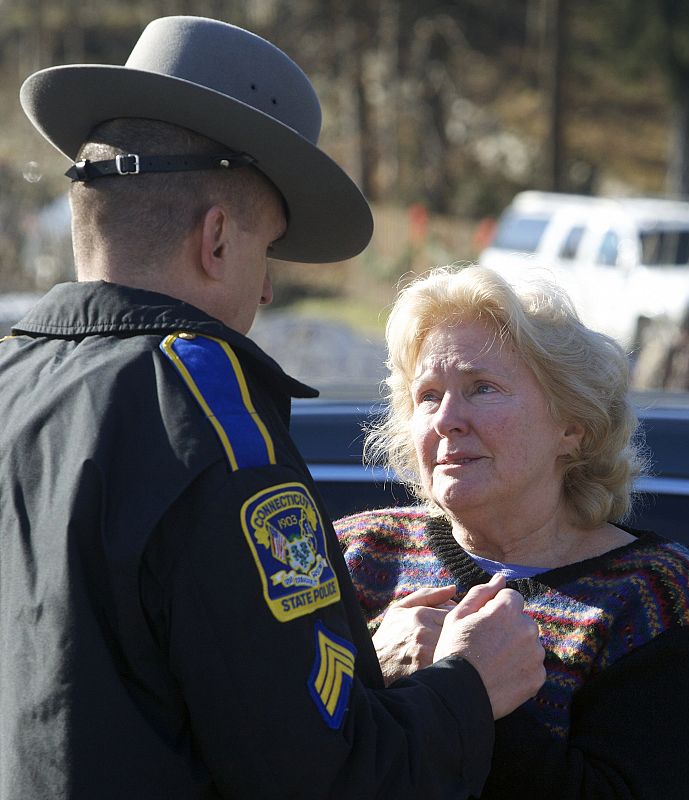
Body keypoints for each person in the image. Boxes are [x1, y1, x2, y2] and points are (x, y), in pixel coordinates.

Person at [0, 16, 547, 800]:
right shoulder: (204, 414)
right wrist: (470, 685)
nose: (264, 291)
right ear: (218, 239)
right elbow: (320, 777)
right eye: (267, 256)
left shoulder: (12, 380)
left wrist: (361, 669)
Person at [336, 264, 689, 799]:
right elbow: (264, 750)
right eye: (428, 395)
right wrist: (369, 667)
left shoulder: (648, 593)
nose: (448, 418)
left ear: (571, 426)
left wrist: (467, 687)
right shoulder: (356, 553)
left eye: (482, 388)